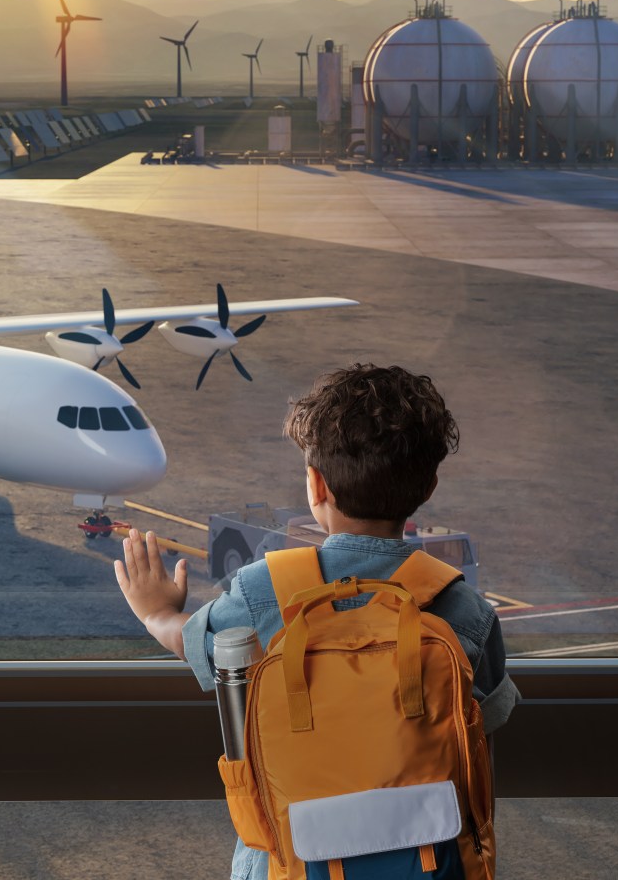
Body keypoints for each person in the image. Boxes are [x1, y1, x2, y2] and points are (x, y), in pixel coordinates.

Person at [114, 362, 517, 880]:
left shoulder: (267, 591)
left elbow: (197, 646)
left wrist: (157, 611)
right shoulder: (464, 609)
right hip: (431, 862)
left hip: (286, 864)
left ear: (316, 485)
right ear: (429, 485)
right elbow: (485, 730)